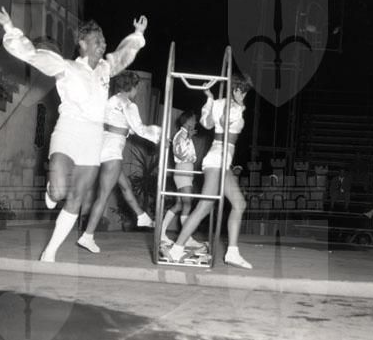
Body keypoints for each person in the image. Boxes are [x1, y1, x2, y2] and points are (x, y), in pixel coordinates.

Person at [0, 3, 148, 262]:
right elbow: (31, 54)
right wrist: (9, 26)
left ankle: (49, 252)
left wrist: (137, 35)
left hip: (93, 137)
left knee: (76, 198)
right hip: (68, 130)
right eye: (96, 41)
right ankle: (52, 190)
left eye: (103, 40)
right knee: (59, 193)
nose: (102, 44)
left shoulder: (106, 68)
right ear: (82, 44)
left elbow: (123, 55)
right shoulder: (65, 66)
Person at [163, 74, 253, 269]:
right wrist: (234, 105)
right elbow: (219, 122)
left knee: (239, 203)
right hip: (217, 160)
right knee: (205, 205)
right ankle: (177, 249)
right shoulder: (231, 106)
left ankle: (232, 252)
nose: (244, 95)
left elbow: (207, 122)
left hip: (223, 162)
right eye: (242, 91)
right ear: (236, 90)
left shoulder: (221, 104)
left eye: (245, 92)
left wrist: (210, 99)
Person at [77, 71, 161, 253]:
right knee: (103, 196)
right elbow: (140, 129)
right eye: (137, 87)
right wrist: (160, 136)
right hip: (112, 151)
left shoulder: (112, 100)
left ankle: (141, 216)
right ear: (132, 87)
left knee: (125, 185)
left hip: (102, 146)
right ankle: (87, 236)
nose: (137, 91)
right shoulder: (129, 105)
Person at [159, 111, 206, 249]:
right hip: (183, 171)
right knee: (187, 204)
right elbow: (180, 153)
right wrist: (188, 138)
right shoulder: (181, 135)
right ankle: (187, 238)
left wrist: (189, 137)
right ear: (188, 120)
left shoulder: (184, 135)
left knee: (180, 205)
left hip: (186, 171)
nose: (195, 122)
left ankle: (161, 233)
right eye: (194, 119)